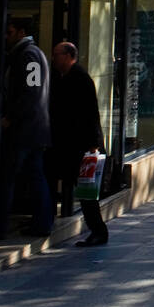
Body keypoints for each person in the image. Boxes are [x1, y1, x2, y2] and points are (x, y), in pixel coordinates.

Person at [0, 18, 53, 239]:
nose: (6, 37)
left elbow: (32, 92)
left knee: (10, 177)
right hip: (33, 130)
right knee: (34, 175)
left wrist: (11, 117)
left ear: (21, 32)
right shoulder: (28, 54)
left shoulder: (29, 55)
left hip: (26, 130)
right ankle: (41, 223)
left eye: (9, 32)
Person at [50, 42, 109, 247]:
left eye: (57, 54)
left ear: (68, 56)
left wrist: (94, 144)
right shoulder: (60, 77)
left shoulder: (81, 78)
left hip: (81, 146)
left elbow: (91, 112)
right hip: (67, 144)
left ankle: (99, 231)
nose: (53, 57)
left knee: (86, 192)